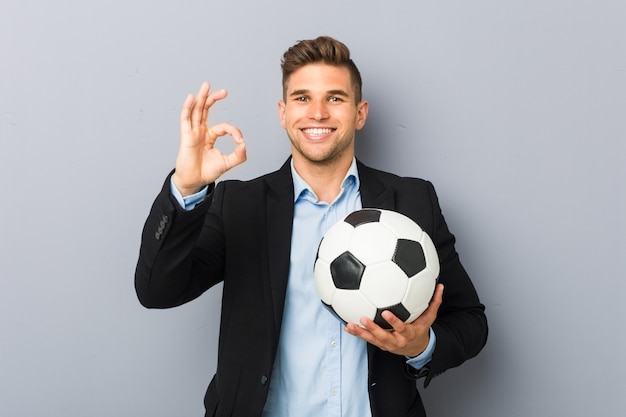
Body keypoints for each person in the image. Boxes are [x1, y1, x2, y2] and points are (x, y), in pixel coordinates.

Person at [135, 36, 488, 417]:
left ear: (360, 112)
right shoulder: (239, 204)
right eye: (302, 98)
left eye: (335, 98)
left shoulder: (413, 201)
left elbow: (470, 321)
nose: (317, 113)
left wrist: (419, 347)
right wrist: (187, 188)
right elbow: (157, 291)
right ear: (283, 112)